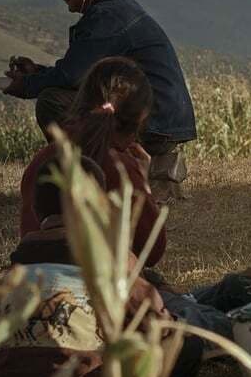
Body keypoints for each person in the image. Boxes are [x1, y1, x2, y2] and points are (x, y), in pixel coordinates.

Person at [0, 155, 222, 377]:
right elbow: (154, 321)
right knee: (187, 346)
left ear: (36, 211)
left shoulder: (18, 263)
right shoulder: (111, 256)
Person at [3, 0, 196, 203]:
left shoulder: (107, 16)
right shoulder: (114, 10)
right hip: (163, 119)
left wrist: (26, 85)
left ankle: (96, 176)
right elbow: (83, 74)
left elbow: (73, 76)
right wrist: (37, 72)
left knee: (52, 102)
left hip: (154, 121)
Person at [18, 57, 167, 266]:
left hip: (38, 278)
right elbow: (151, 252)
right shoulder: (121, 167)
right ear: (138, 122)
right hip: (97, 281)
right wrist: (144, 186)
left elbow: (29, 233)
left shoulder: (42, 160)